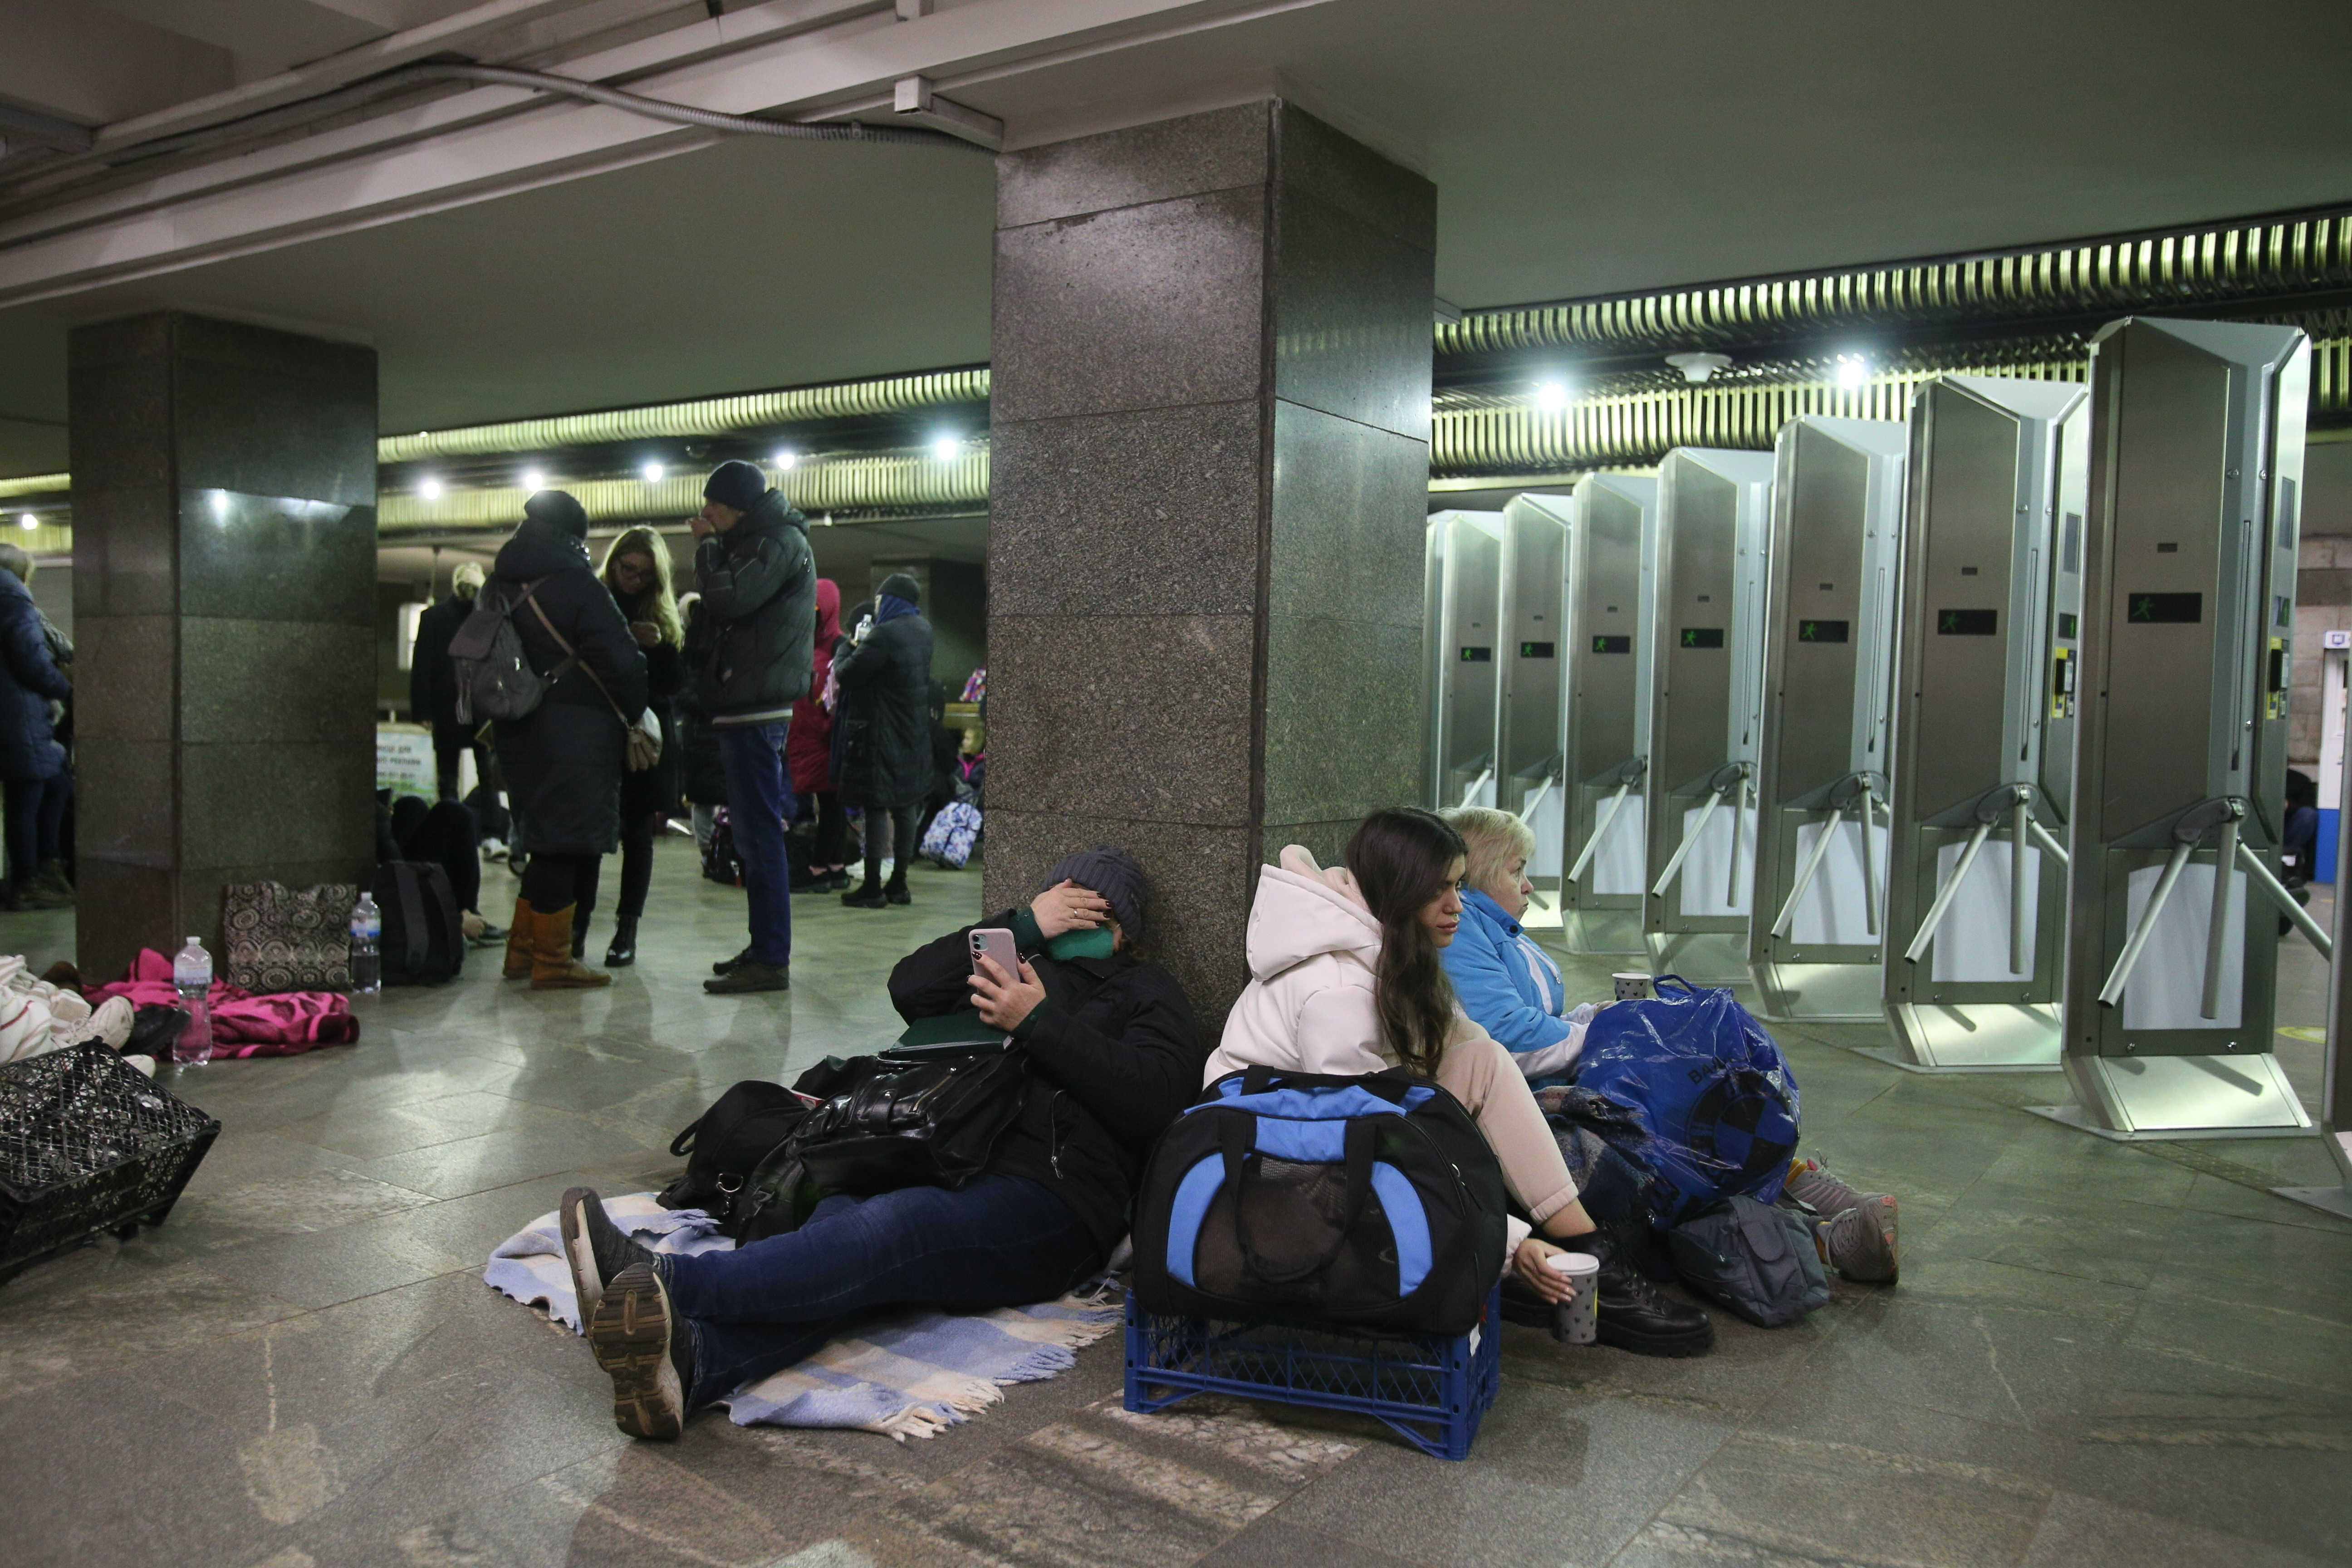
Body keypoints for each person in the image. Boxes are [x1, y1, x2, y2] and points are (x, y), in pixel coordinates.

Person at [554, 846, 1202, 1439]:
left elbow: (1153, 1098)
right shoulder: (1010, 965)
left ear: (1123, 932)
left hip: (1047, 1196)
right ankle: (695, 1365)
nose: (1078, 917)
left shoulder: (1145, 993)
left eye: (1095, 909)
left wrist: (1038, 1023)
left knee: (889, 1232)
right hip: (931, 1151)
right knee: (840, 1236)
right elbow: (909, 988)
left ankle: (667, 1283)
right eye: (1066, 901)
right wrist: (1026, 926)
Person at [1206, 808, 1714, 1357]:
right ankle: (1557, 1264)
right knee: (1445, 1095)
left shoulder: (1391, 949)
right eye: (1440, 890)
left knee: (1481, 1058)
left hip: (1326, 1129)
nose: (1458, 906)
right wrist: (1511, 1246)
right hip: (1270, 1170)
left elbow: (1462, 1054)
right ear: (1399, 892)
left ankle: (1587, 1251)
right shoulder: (1336, 992)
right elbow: (1370, 1146)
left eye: (1459, 885)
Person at [1441, 806, 1898, 1285]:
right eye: (1517, 872)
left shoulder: (1499, 932)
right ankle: (1815, 1229)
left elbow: (1537, 1020)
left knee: (1685, 1112)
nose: (1529, 886)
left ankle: (1803, 1193)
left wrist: (1598, 1017)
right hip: (1531, 1105)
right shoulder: (1465, 925)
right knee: (1663, 1148)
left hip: (1546, 1090)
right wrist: (1604, 1033)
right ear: (1479, 874)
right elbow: (1511, 1036)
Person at [489, 490, 648, 990]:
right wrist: (637, 696)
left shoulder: (500, 581)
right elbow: (621, 663)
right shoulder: (577, 585)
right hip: (574, 732)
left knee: (542, 840)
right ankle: (553, 963)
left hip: (517, 724)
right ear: (572, 536)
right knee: (562, 844)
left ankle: (521, 953)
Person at [693, 461, 815, 995]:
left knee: (760, 837)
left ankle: (771, 958)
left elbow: (729, 597)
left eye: (712, 506)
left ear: (735, 504)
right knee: (751, 836)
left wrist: (706, 550)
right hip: (744, 705)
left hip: (757, 710)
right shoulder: (761, 540)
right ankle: (763, 947)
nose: (704, 516)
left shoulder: (778, 541)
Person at [593, 527, 686, 968]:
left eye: (643, 574)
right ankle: (574, 928)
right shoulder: (593, 601)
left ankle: (626, 929)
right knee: (588, 837)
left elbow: (674, 687)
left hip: (642, 739)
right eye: (626, 568)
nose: (632, 579)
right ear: (613, 563)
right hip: (596, 731)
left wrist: (659, 649)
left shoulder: (663, 615)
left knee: (637, 835)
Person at [835, 573, 934, 909]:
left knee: (875, 808)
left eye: (879, 601)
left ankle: (873, 887)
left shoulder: (884, 635)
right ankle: (899, 885)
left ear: (890, 601)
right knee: (905, 808)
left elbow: (847, 674)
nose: (876, 608)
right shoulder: (924, 630)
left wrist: (848, 648)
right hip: (913, 733)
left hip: (880, 735)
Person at [0, 545, 73, 912]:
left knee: (56, 783)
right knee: (26, 795)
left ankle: (47, 866)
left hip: (16, 711)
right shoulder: (12, 595)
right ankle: (28, 881)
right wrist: (66, 689)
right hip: (16, 712)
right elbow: (29, 658)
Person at [785, 579, 850, 892]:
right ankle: (835, 866)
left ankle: (818, 870)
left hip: (826, 739)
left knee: (832, 804)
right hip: (806, 738)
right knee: (829, 804)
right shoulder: (805, 645)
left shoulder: (840, 648)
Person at [411, 561, 490, 802]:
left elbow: (422, 666)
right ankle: (491, 831)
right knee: (484, 771)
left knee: (451, 772)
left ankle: (452, 826)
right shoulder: (485, 619)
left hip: (449, 703)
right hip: (478, 704)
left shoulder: (434, 618)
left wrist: (423, 710)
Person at [676, 593, 728, 863]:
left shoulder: (695, 653)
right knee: (707, 798)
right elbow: (684, 695)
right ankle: (712, 852)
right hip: (704, 734)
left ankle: (716, 851)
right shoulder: (691, 653)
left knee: (709, 798)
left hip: (707, 734)